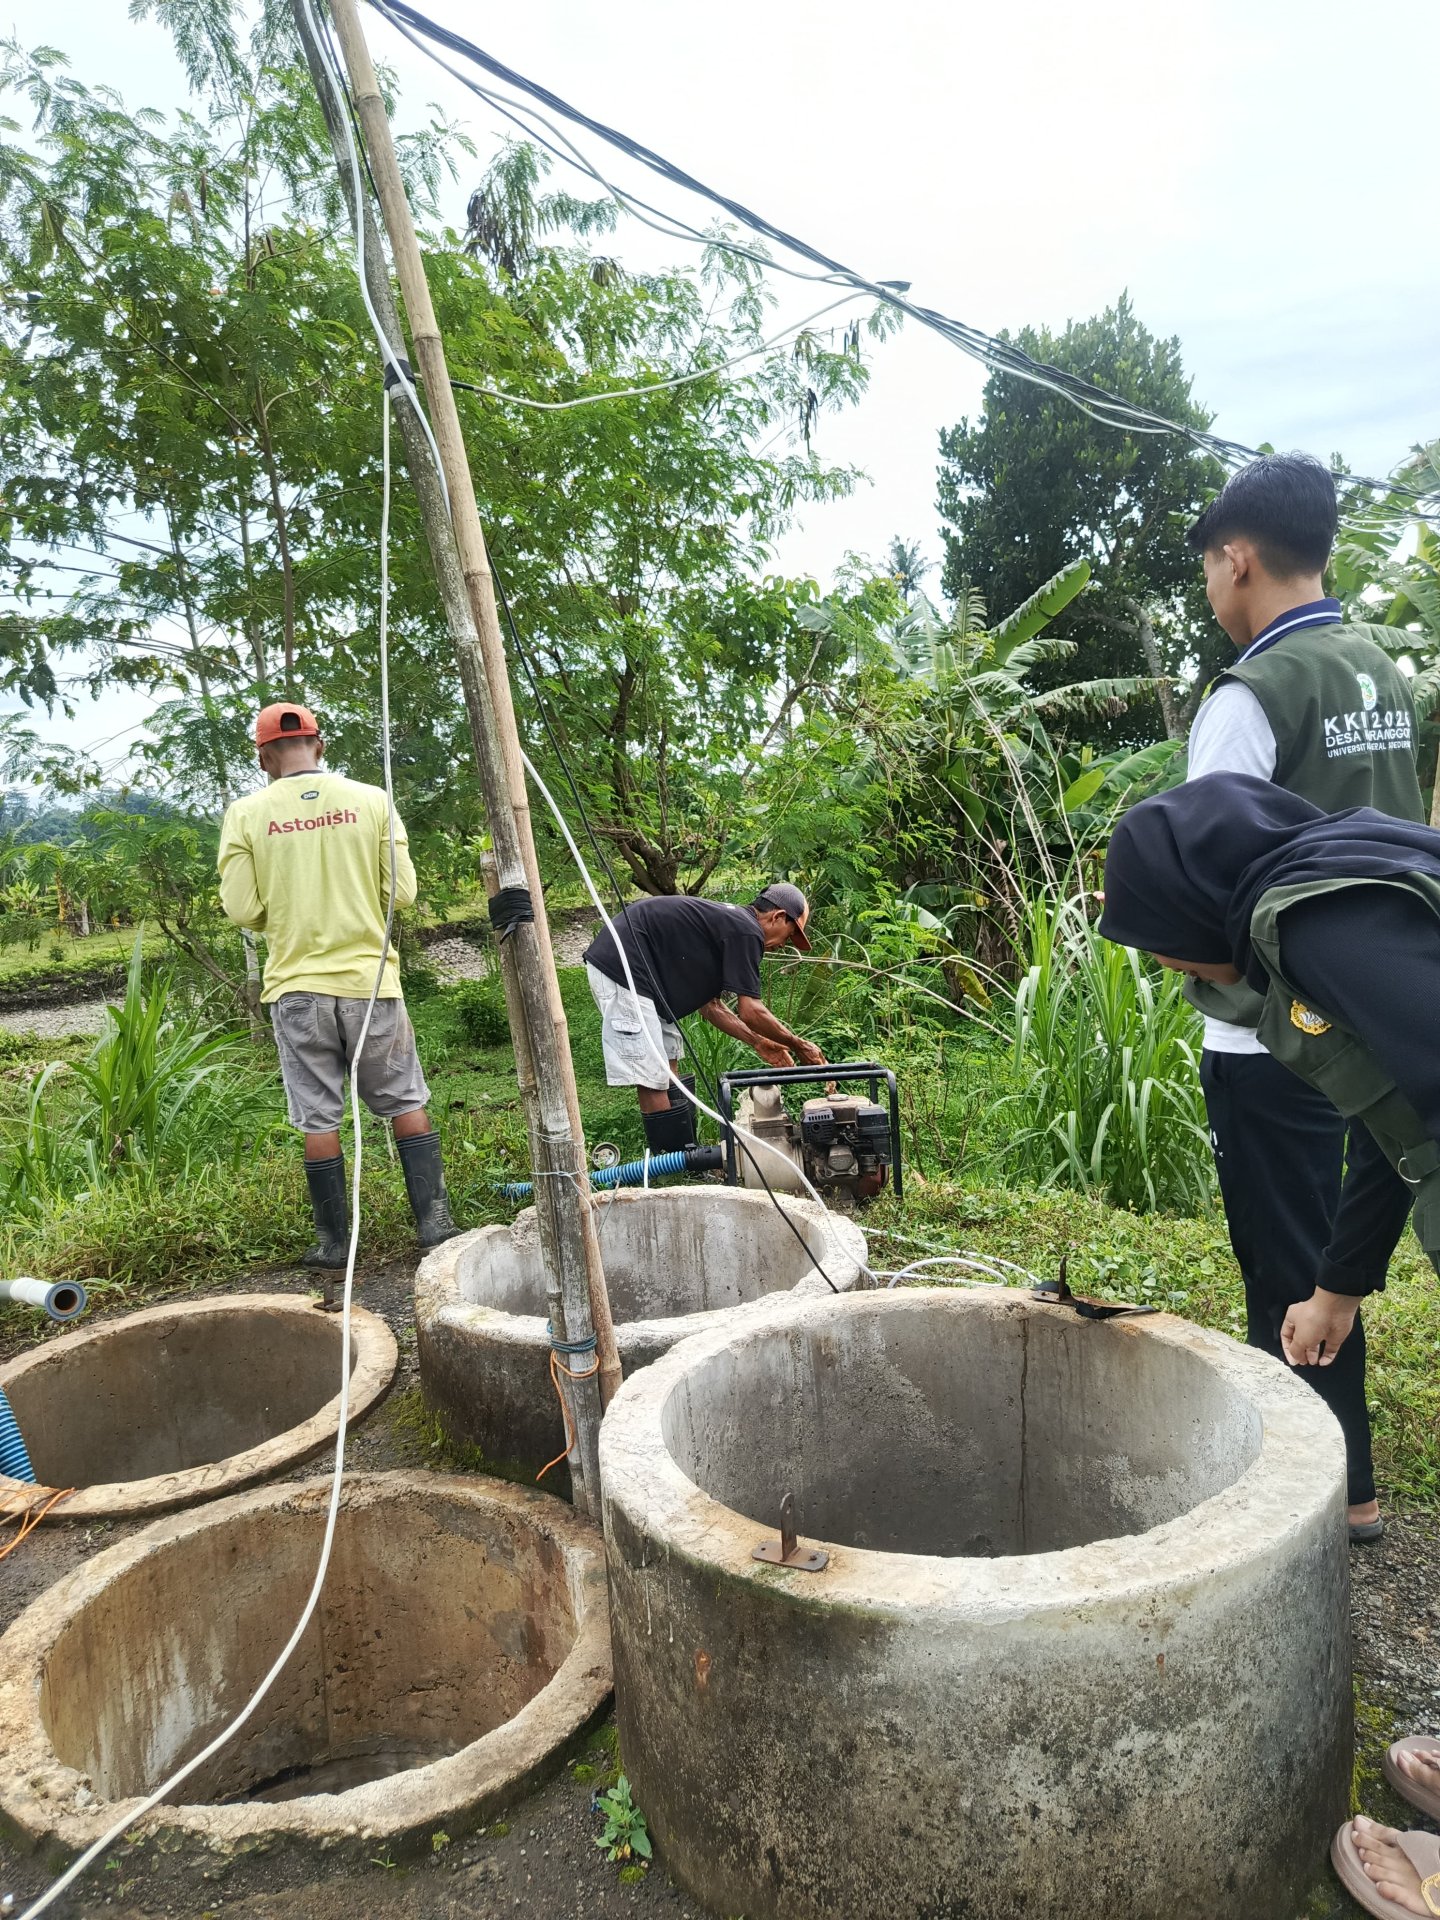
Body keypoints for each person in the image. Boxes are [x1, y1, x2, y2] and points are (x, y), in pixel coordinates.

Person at [1182, 452, 1423, 1542]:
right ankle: (1354, 1480)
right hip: (1384, 1023)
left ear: (1239, 559)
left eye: (1207, 574)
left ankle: (1318, 1504)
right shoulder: (1385, 674)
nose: (1210, 596)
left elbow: (1197, 884)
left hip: (1273, 1036)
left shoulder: (1250, 696)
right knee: (1337, 1250)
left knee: (1285, 1261)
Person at [218, 702, 459, 1298]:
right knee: (404, 1099)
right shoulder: (372, 799)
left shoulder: (246, 814)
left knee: (319, 1115)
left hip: (296, 987)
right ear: (319, 747)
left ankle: (333, 1243)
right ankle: (434, 1225)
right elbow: (401, 892)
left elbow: (242, 910)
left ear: (263, 756)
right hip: (370, 981)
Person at [582, 883, 825, 1154]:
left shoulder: (733, 926)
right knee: (652, 1073)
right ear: (778, 917)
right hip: (622, 966)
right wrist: (798, 1044)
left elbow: (710, 1006)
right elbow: (751, 1011)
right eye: (789, 935)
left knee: (669, 1056)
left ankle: (686, 1154)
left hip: (648, 975)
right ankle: (672, 1164)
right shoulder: (746, 930)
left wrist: (757, 1042)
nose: (783, 945)